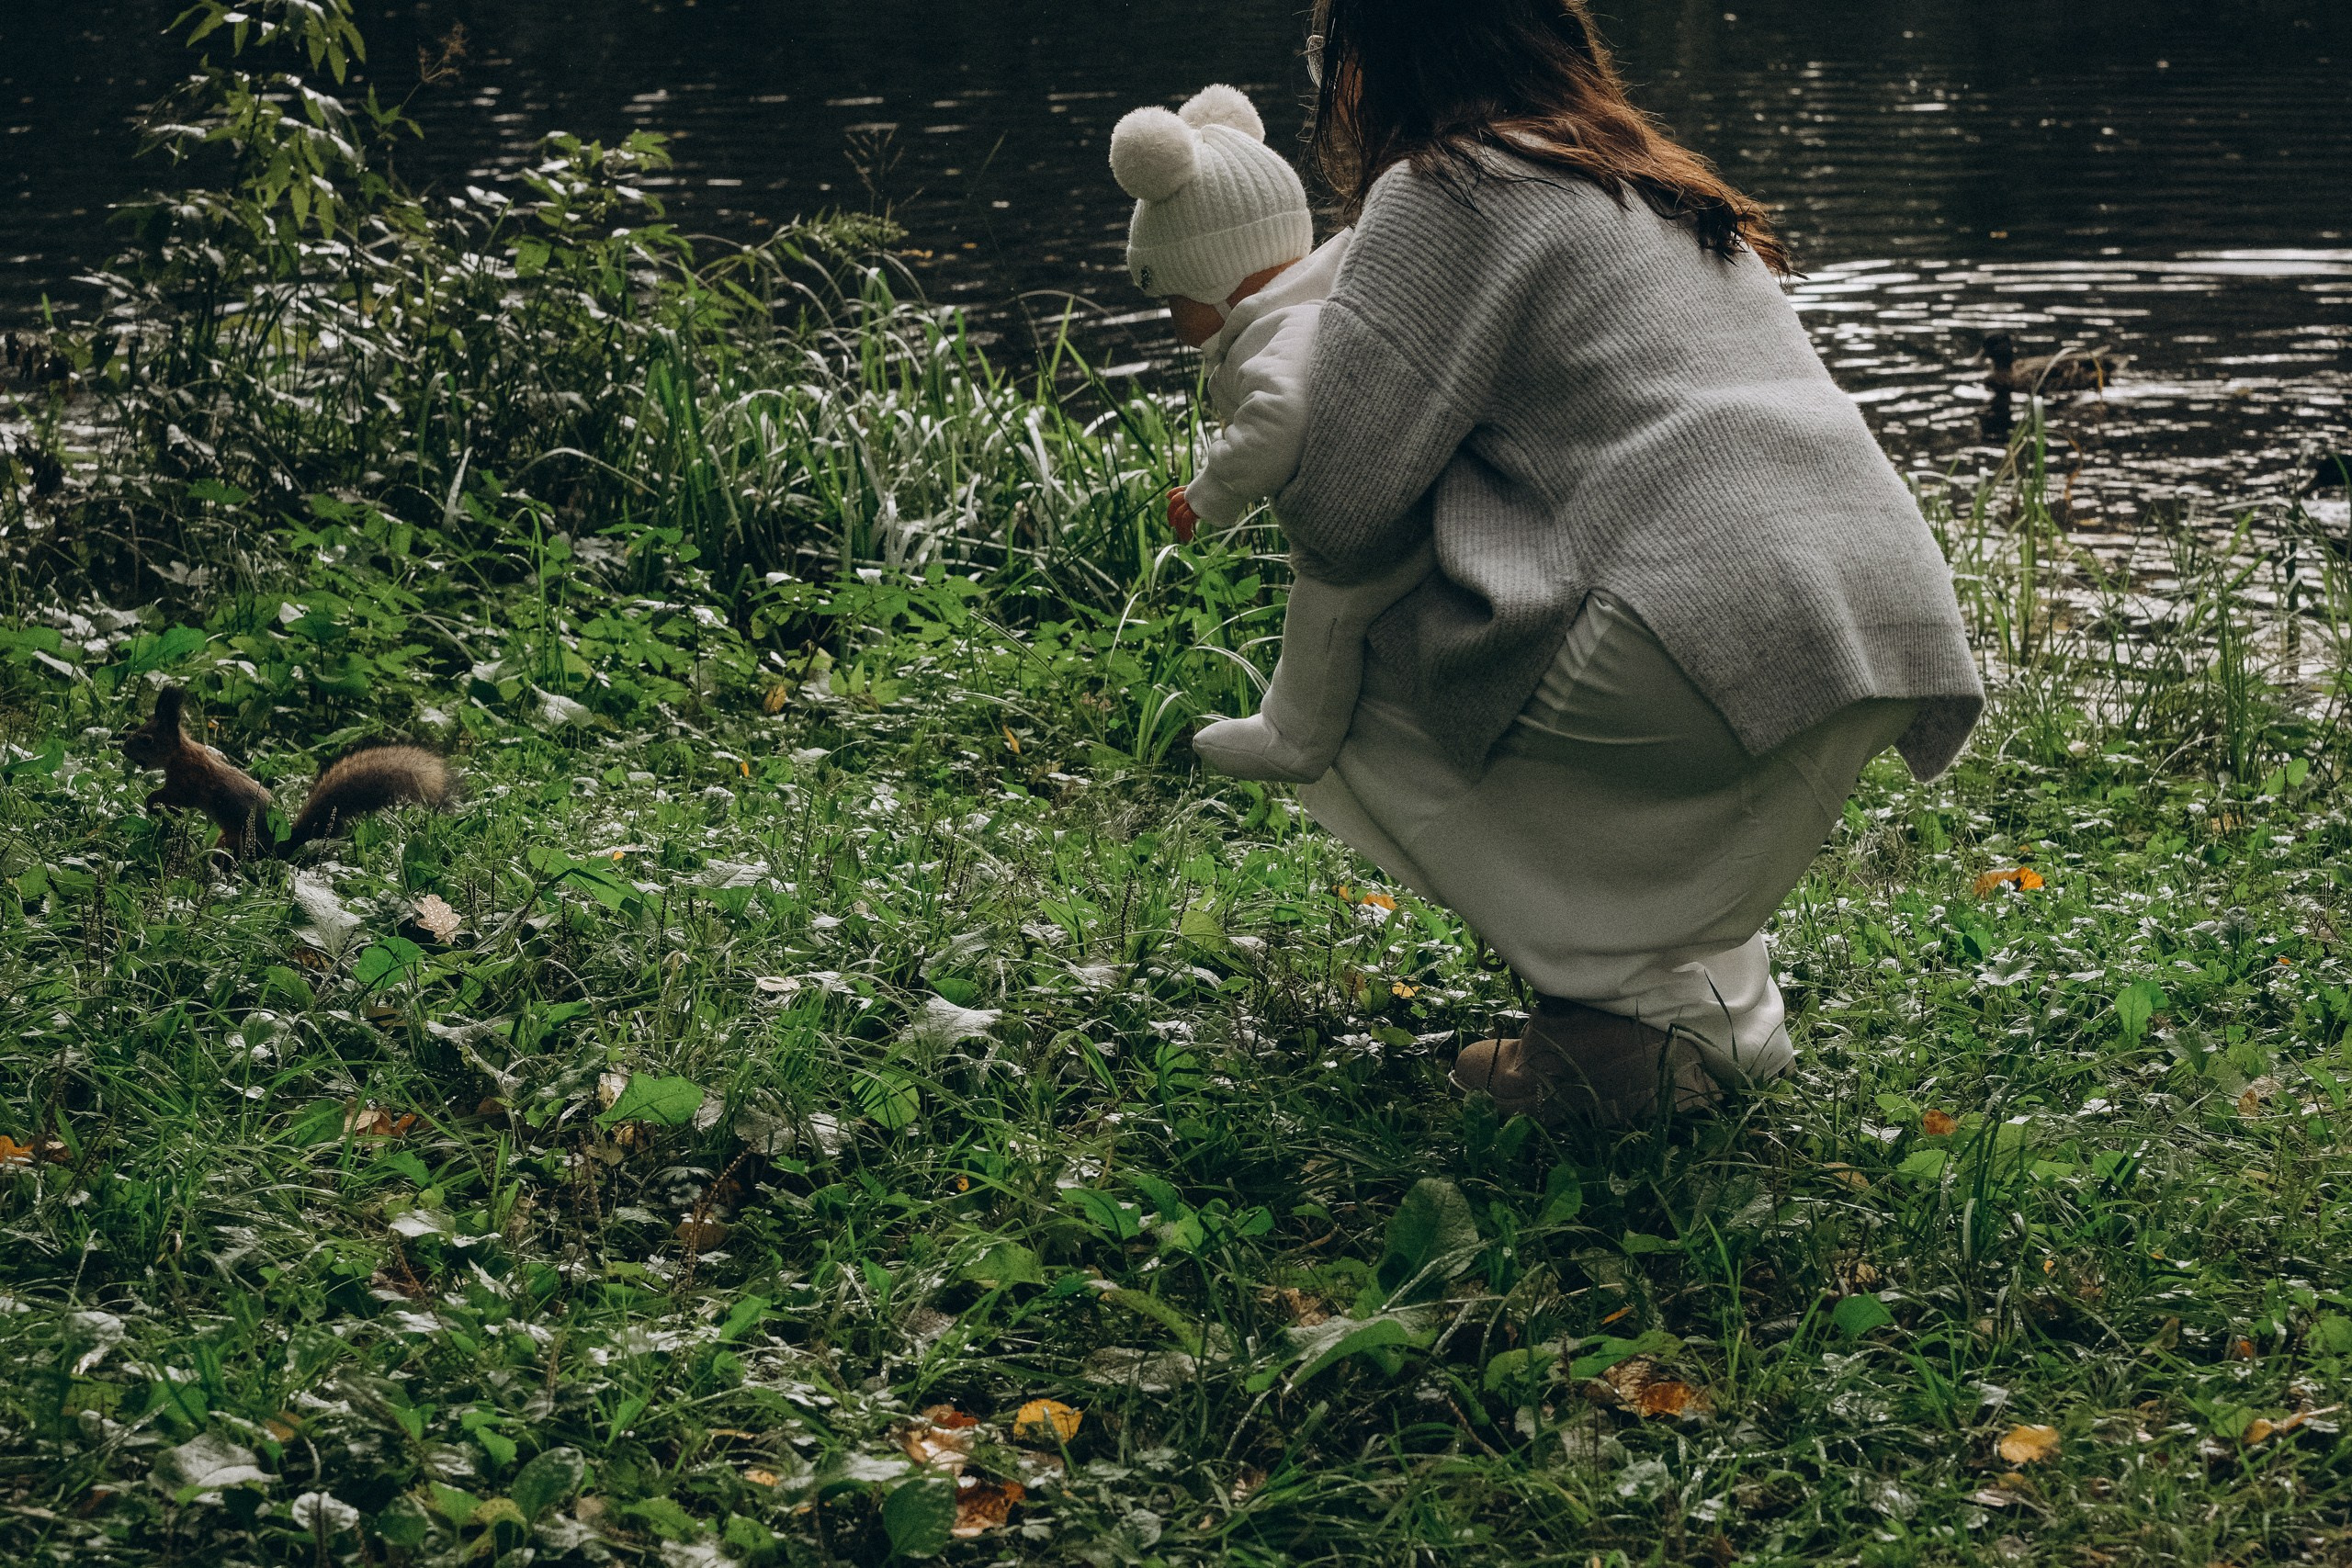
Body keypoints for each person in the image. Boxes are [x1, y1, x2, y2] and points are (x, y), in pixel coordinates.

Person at [1247, 0, 1986, 1125]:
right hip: (1875, 620)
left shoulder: (1446, 184)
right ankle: (1718, 1019)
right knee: (1570, 652)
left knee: (1369, 656)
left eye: (1327, 57)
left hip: (1704, 623)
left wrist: (1259, 371)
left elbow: (1340, 513)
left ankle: (1600, 1044)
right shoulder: (1643, 177)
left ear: (1369, 62)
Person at [1110, 85, 1433, 784]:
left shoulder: (1279, 334)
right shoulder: (1319, 294)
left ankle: (1294, 736)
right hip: (1412, 494)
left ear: (1216, 281)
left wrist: (1211, 492)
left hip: (1374, 523)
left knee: (1324, 607)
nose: (1172, 320)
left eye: (1173, 299)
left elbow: (1279, 420)